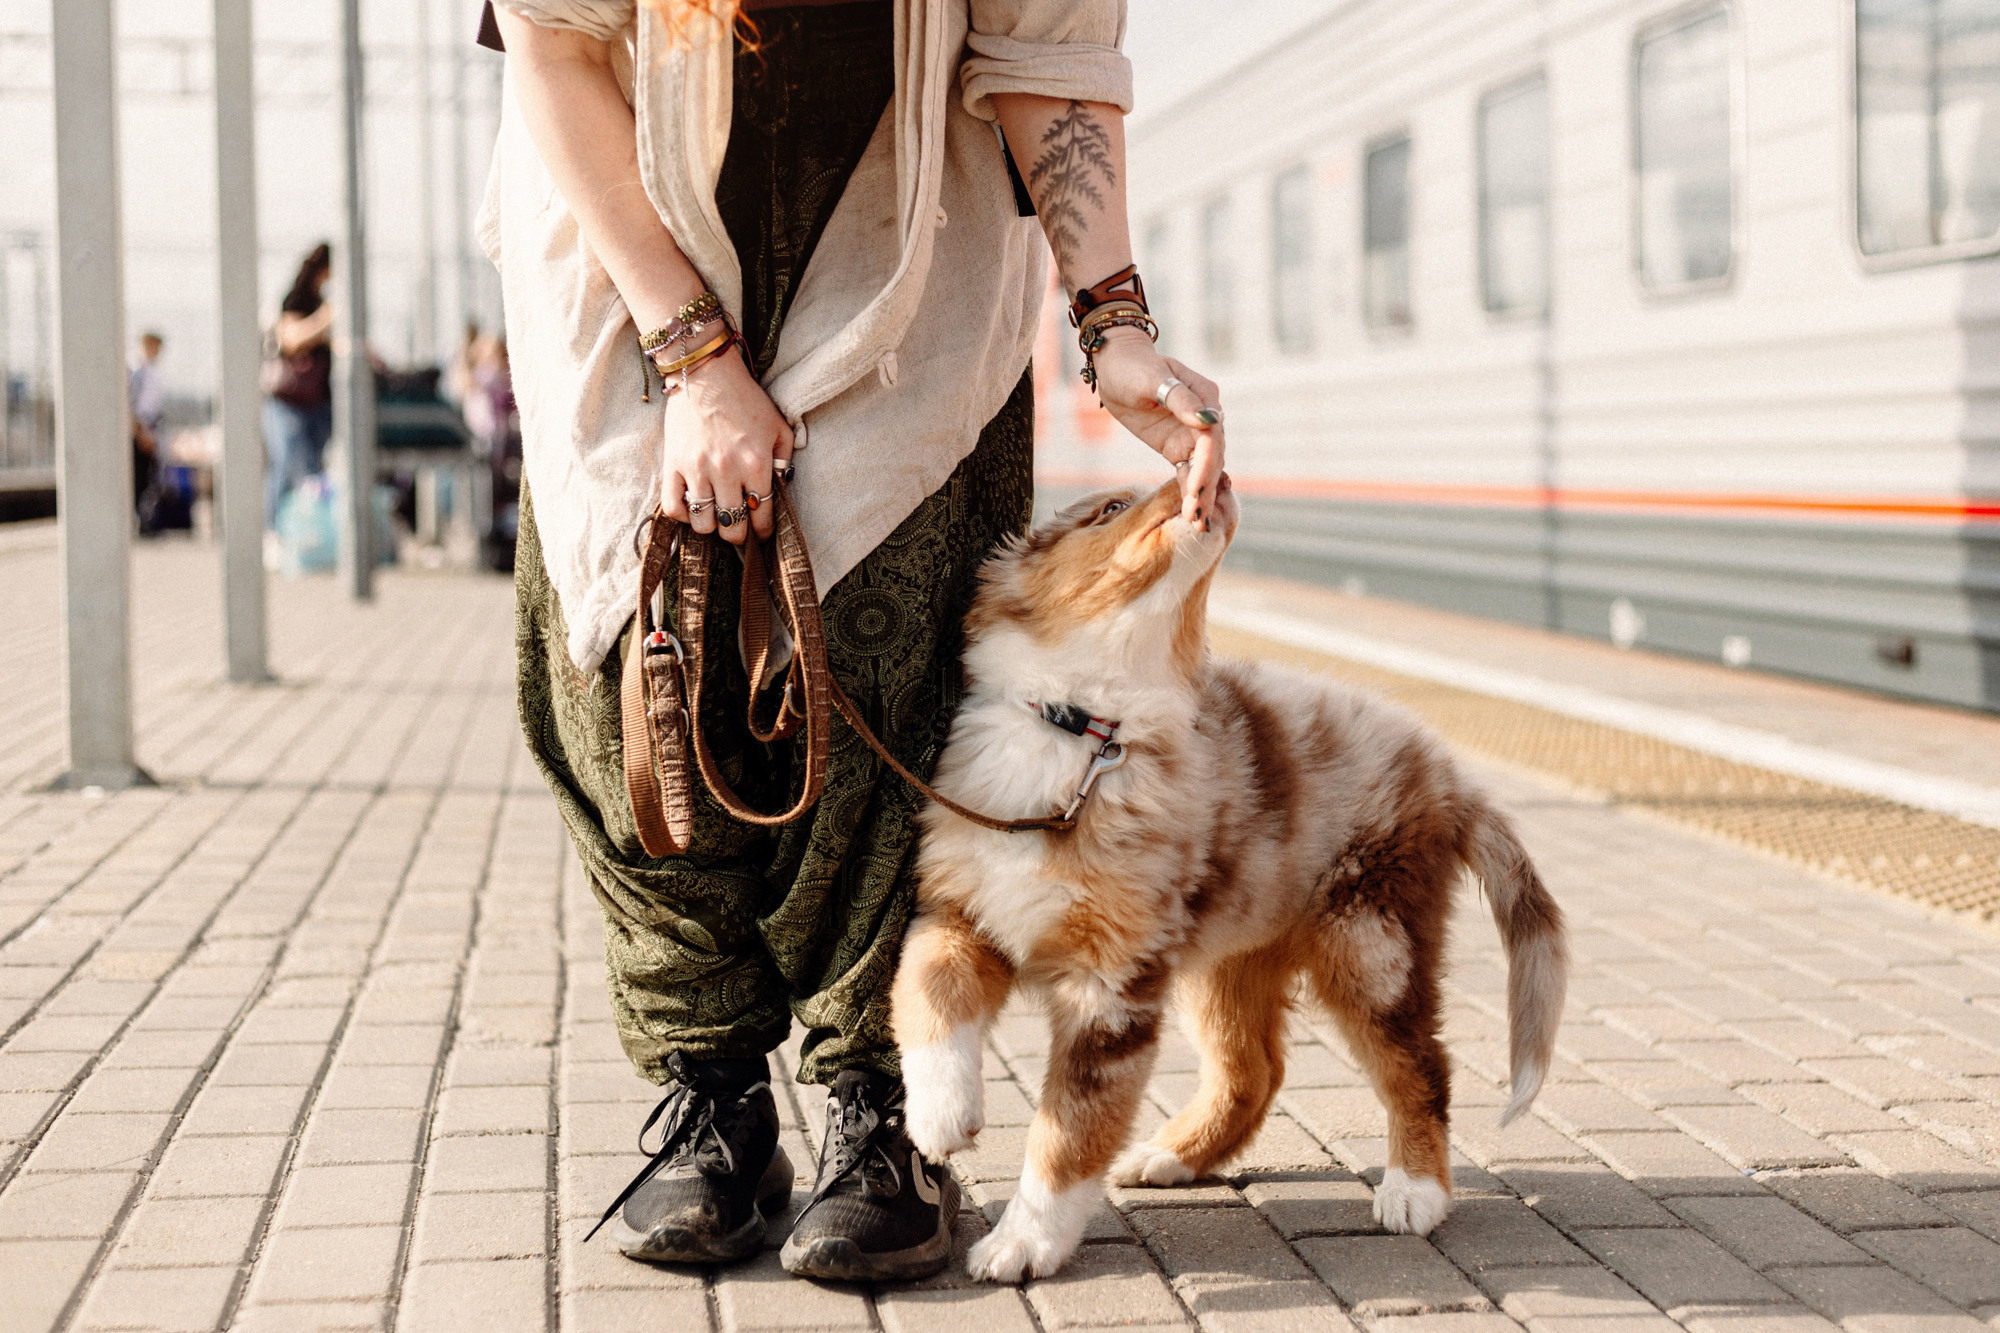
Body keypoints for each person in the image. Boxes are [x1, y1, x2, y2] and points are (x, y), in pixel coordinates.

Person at [485, 0, 1226, 1282]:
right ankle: (709, 1092)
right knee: (636, 681)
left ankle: (877, 1107)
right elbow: (553, 47)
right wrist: (691, 354)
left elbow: (1050, 63)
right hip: (626, 252)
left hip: (913, 266)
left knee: (894, 665)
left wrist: (1113, 327)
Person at [264, 244, 334, 528]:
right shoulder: (297, 298)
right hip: (287, 401)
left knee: (312, 470)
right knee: (286, 464)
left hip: (318, 400)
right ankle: (274, 530)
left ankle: (305, 530)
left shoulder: (322, 300)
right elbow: (291, 340)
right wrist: (325, 319)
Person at [128, 331, 167, 519]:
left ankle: (144, 518)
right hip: (141, 430)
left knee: (149, 477)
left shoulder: (151, 372)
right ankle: (138, 518)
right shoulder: (138, 372)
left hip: (151, 428)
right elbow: (132, 405)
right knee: (139, 477)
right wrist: (141, 432)